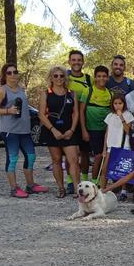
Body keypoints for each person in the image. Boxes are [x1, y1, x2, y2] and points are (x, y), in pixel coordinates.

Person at [0, 63, 47, 198]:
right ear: (5, 75)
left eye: (15, 72)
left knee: (31, 156)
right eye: (9, 73)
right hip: (10, 131)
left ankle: (30, 185)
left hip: (24, 131)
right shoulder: (2, 90)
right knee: (13, 159)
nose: (13, 75)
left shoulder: (20, 89)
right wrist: (8, 110)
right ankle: (14, 188)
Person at [39, 66, 81, 198]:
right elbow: (41, 114)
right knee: (56, 160)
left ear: (65, 78)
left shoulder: (72, 93)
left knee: (73, 160)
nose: (58, 78)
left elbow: (76, 114)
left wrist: (72, 129)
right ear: (51, 77)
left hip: (69, 130)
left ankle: (77, 189)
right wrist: (53, 130)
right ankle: (61, 188)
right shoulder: (46, 93)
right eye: (55, 76)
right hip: (52, 131)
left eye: (61, 75)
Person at [79, 65, 111, 182]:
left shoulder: (110, 93)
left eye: (104, 76)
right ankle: (89, 181)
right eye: (99, 76)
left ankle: (97, 181)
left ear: (107, 78)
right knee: (95, 156)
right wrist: (83, 130)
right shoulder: (88, 91)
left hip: (105, 130)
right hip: (91, 129)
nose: (101, 78)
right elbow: (81, 111)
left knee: (102, 156)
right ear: (95, 77)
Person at [66, 50, 93, 186]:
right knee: (69, 153)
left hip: (85, 119)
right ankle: (71, 181)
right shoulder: (63, 77)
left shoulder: (89, 79)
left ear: (83, 62)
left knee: (85, 152)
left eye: (79, 60)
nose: (76, 62)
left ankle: (84, 180)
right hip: (68, 120)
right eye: (74, 60)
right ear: (69, 61)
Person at [101, 93, 134, 200]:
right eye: (115, 103)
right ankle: (102, 189)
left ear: (124, 104)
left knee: (122, 170)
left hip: (123, 145)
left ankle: (123, 191)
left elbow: (128, 130)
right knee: (105, 168)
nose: (118, 105)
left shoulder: (128, 115)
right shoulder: (109, 116)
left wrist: (121, 117)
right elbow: (107, 133)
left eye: (120, 103)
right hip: (111, 146)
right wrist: (104, 149)